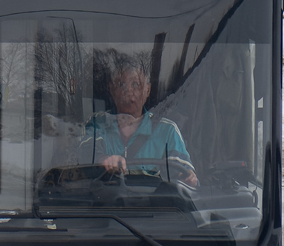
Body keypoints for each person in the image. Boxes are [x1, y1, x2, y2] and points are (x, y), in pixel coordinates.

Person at [82, 57, 198, 187]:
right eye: (121, 84)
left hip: (156, 206)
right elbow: (83, 151)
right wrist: (102, 160)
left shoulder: (167, 130)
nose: (128, 91)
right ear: (112, 90)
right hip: (105, 205)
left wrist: (189, 179)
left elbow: (186, 179)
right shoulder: (98, 123)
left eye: (135, 84)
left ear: (147, 90)